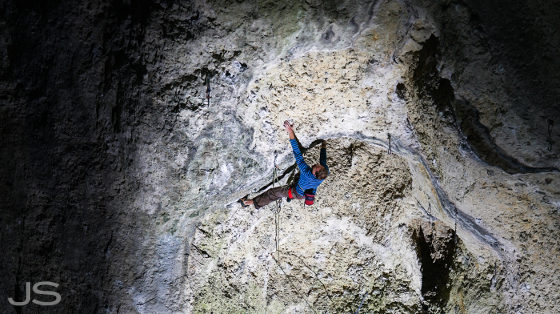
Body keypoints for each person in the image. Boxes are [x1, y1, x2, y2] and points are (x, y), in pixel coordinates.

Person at [242, 120, 329, 209]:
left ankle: (252, 202)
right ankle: (289, 197)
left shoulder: (306, 173)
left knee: (273, 193)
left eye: (316, 167)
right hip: (305, 191)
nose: (316, 164)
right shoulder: (325, 172)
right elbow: (323, 161)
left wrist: (290, 131)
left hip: (296, 193)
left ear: (314, 173)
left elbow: (297, 153)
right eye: (319, 165)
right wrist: (323, 145)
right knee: (298, 176)